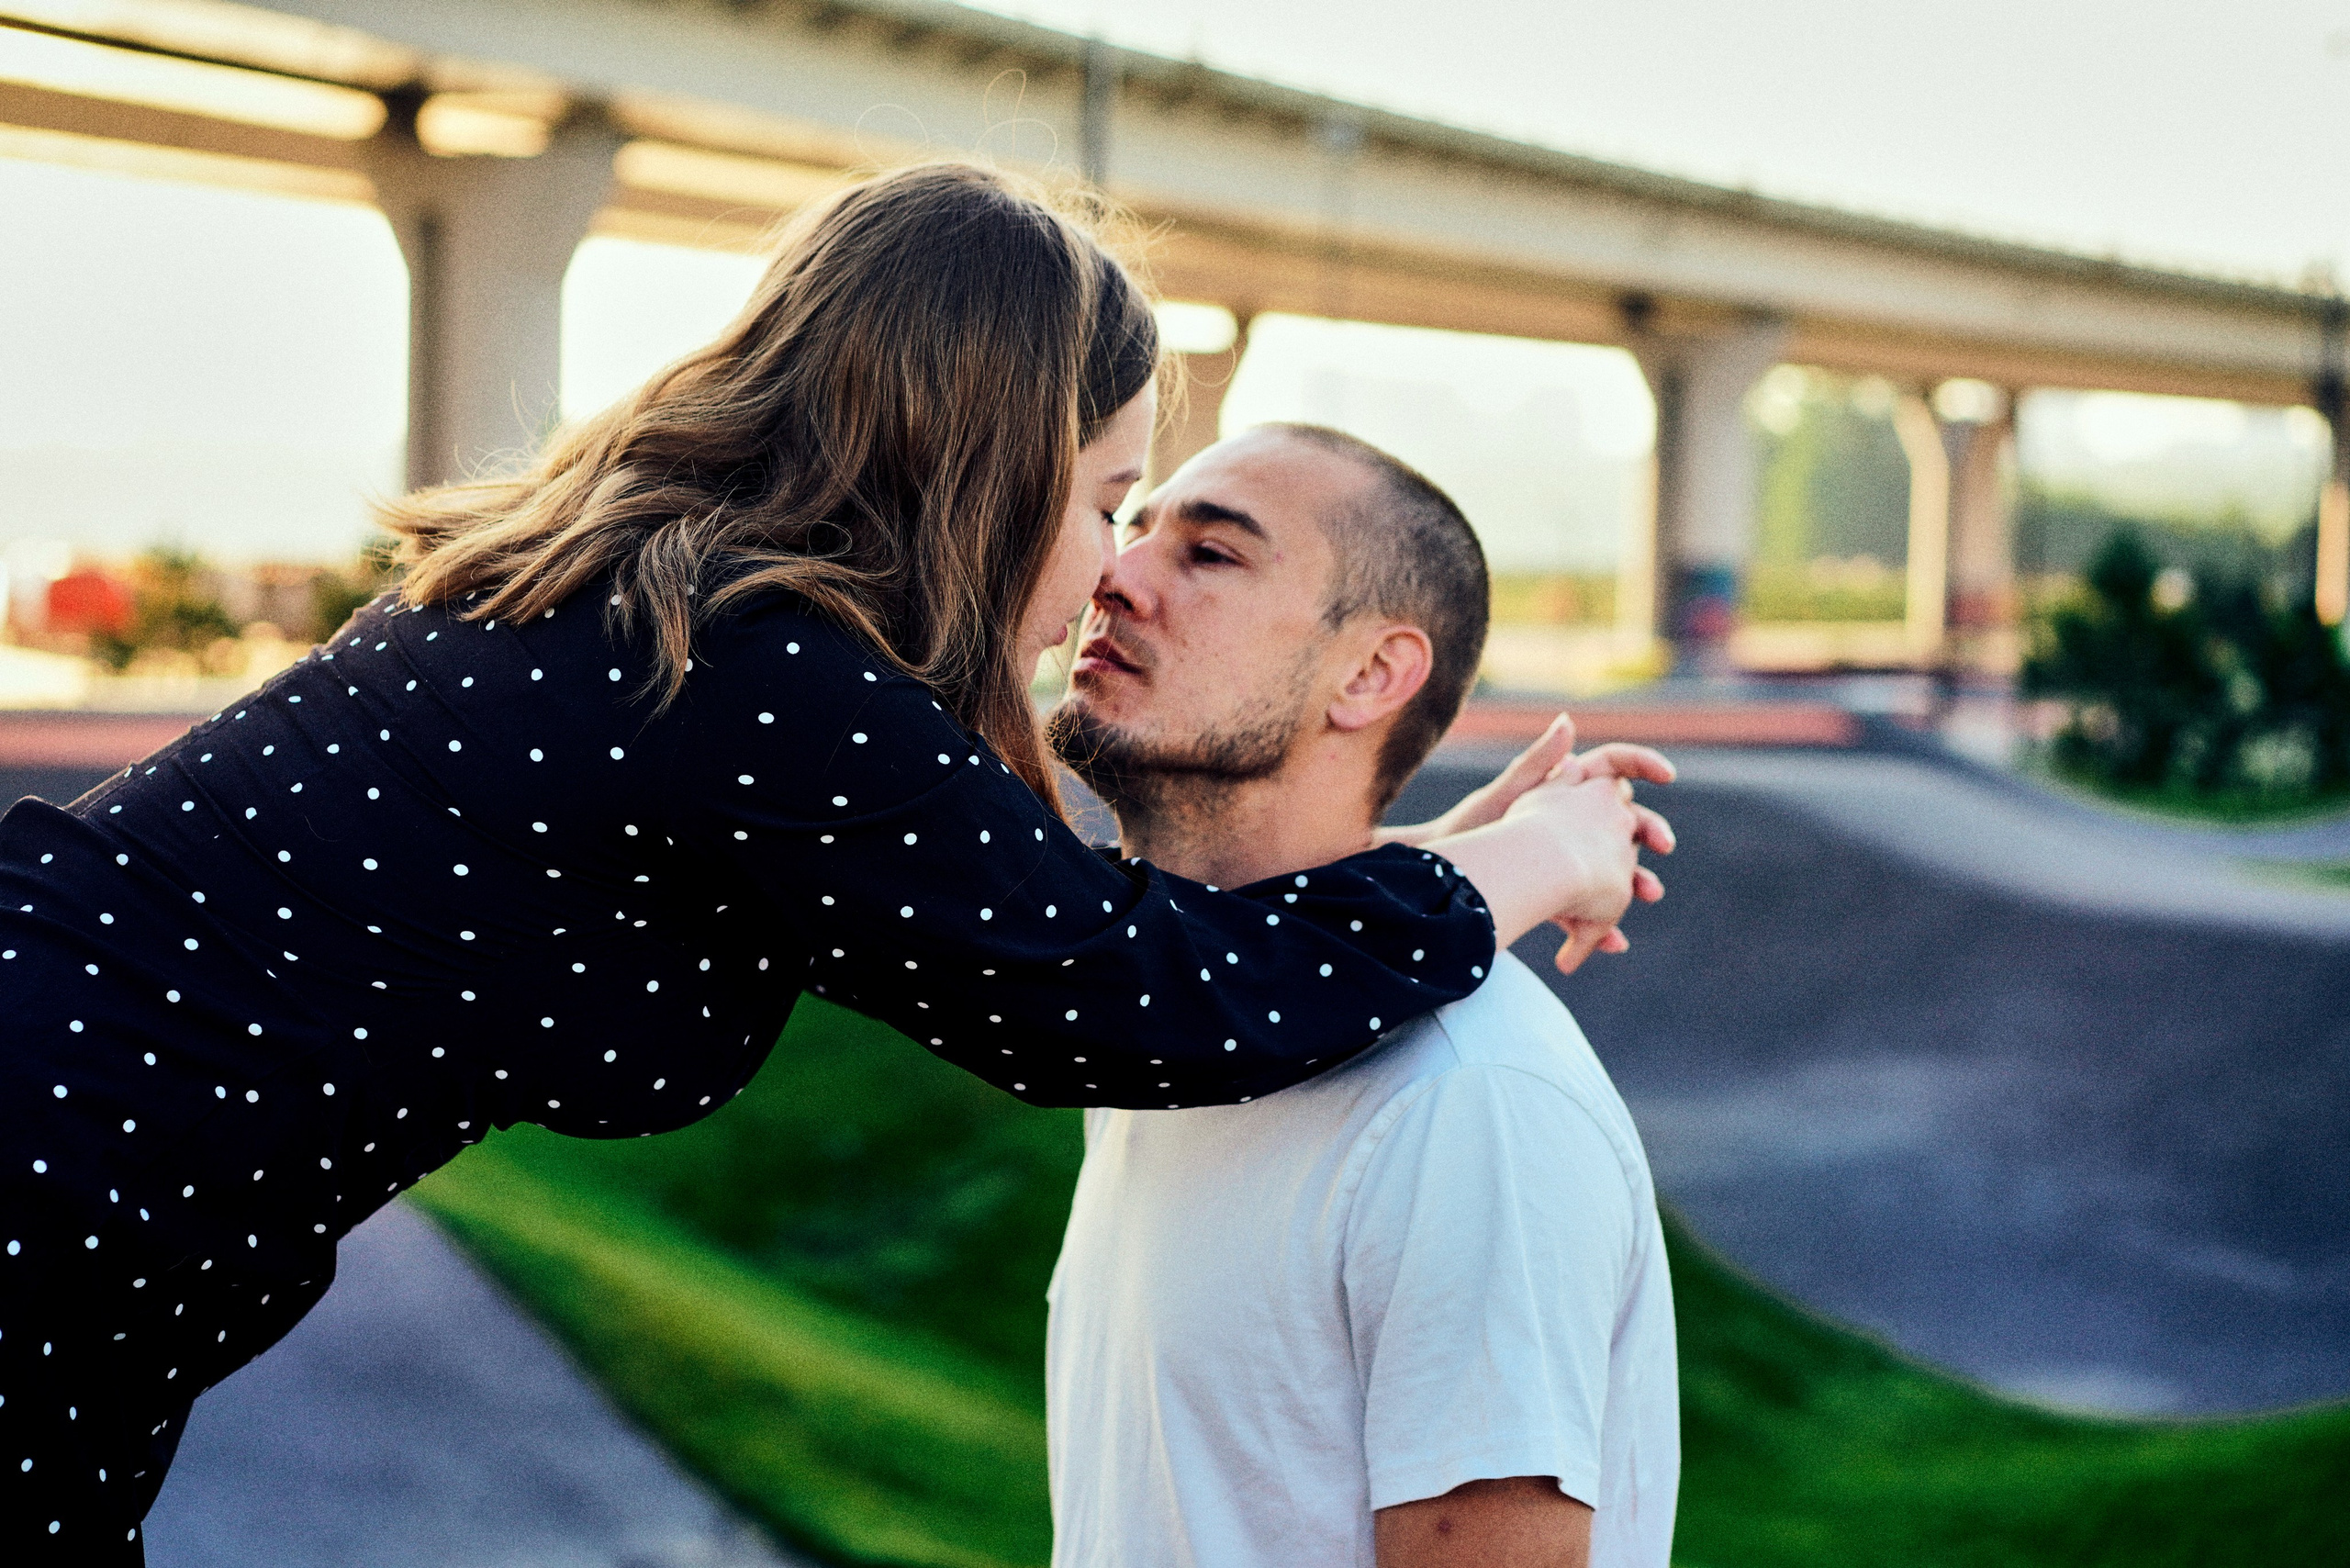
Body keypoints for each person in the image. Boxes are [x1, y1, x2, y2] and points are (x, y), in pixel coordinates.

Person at [0, 165, 1666, 1560]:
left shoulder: (663, 611)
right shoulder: (753, 666)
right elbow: (1136, 993)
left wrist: (1424, 877)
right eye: (1107, 499)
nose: (1104, 567)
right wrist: (1528, 861)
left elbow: (1129, 953)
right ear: (984, 464)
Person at [1044, 424, 1680, 1568]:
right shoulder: (1171, 1016)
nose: (1111, 575)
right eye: (1132, 529)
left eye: (1211, 555)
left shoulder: (1463, 1105)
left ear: (1372, 675)